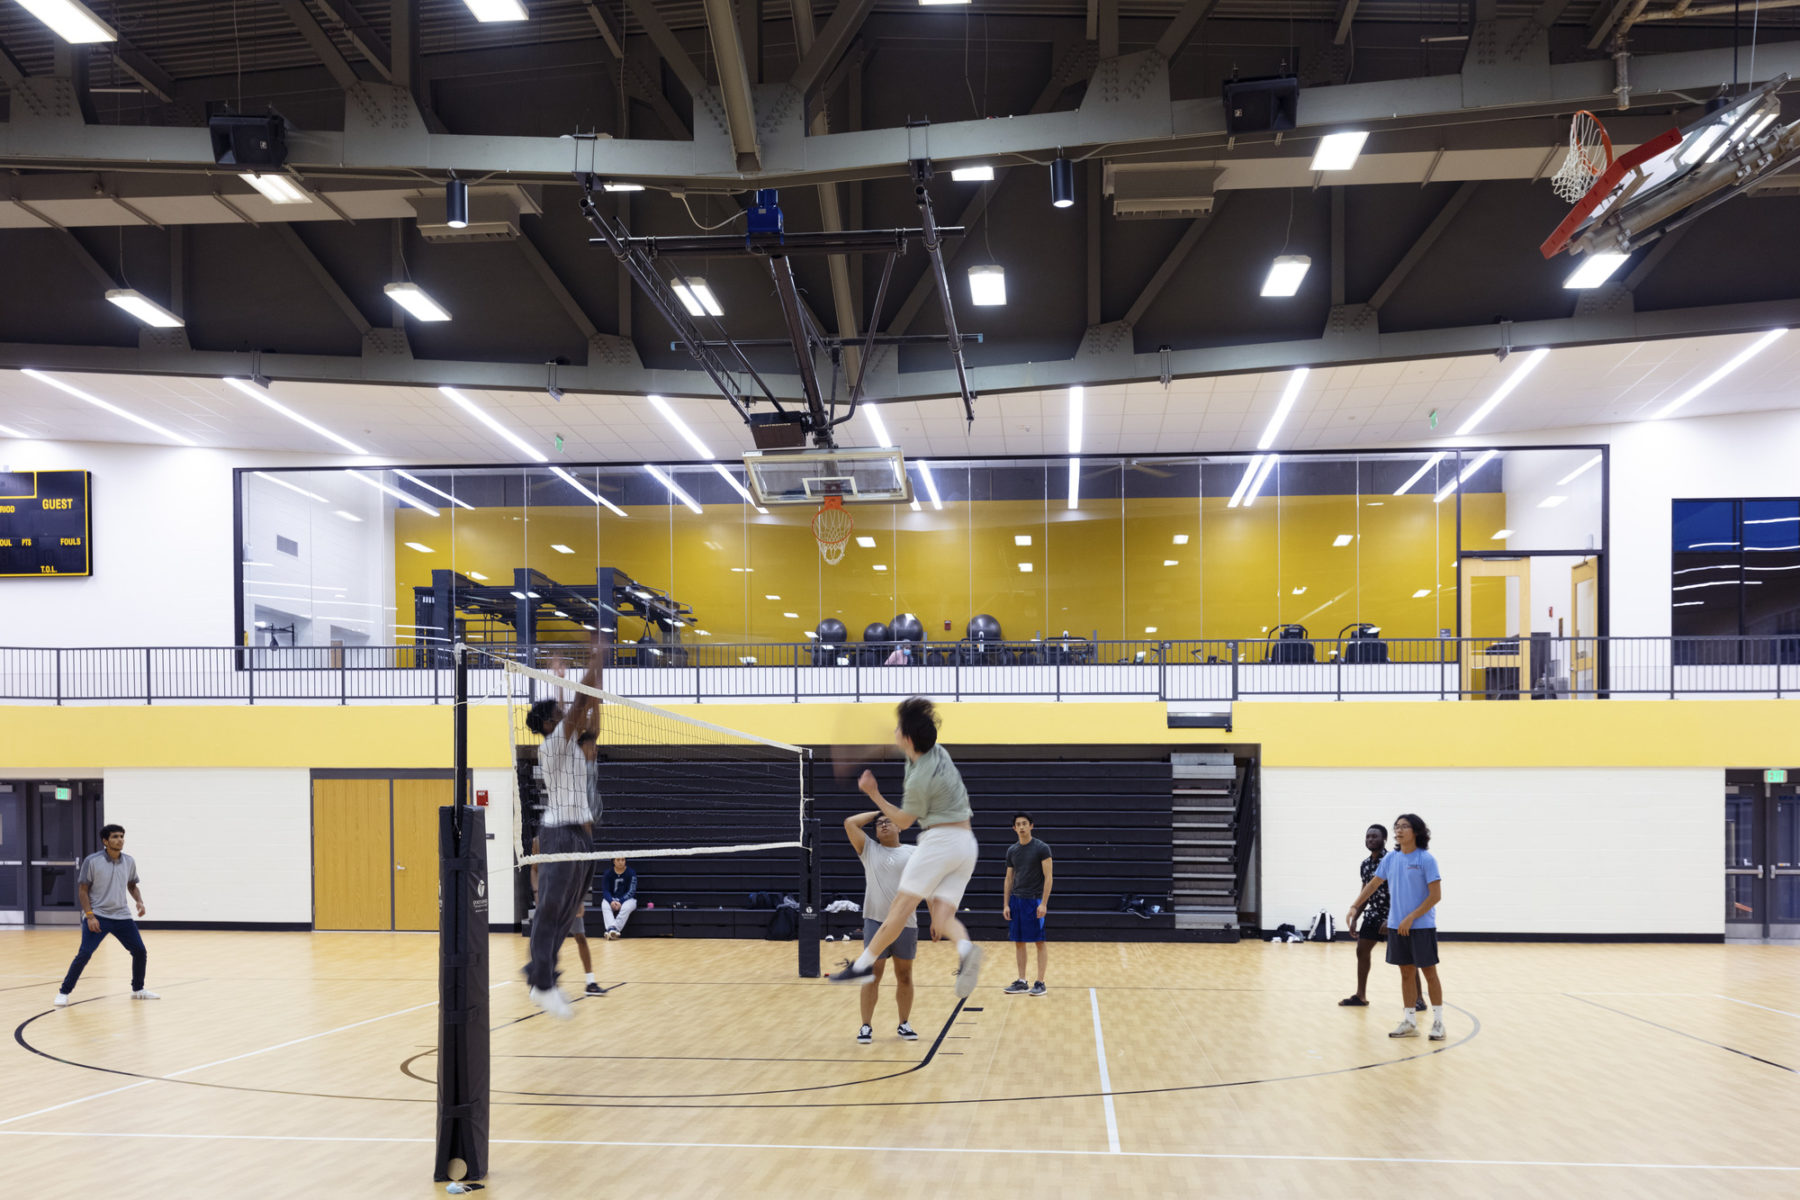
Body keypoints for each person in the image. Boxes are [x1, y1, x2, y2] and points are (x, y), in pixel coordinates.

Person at [827, 697, 983, 997]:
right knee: (942, 918)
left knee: (900, 907)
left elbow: (903, 820)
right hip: (966, 847)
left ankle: (863, 965)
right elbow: (905, 739)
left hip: (940, 842)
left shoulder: (919, 779)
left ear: (909, 737)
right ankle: (966, 950)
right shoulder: (937, 753)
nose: (895, 731)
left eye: (900, 728)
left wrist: (873, 793)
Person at [523, 652, 606, 1020]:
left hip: (581, 840)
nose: (563, 717)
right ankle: (542, 984)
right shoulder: (553, 745)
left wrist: (576, 676)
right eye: (555, 716)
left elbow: (585, 710)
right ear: (547, 724)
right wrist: (596, 658)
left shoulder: (571, 744)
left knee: (565, 917)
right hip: (559, 833)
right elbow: (578, 704)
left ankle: (541, 977)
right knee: (550, 912)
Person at [1346, 813, 1444, 1041]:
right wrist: (1354, 906)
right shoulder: (1391, 859)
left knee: (1429, 972)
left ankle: (1439, 1022)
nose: (1399, 831)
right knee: (1406, 972)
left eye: (1404, 827)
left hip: (1421, 926)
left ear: (1416, 832)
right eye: (1396, 827)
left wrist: (1411, 917)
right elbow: (1372, 885)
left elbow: (1435, 896)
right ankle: (1410, 1022)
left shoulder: (1426, 859)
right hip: (1396, 925)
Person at [55, 824, 157, 1005]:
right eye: (115, 837)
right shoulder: (92, 861)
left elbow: (132, 885)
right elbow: (83, 890)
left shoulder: (129, 861)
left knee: (140, 951)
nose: (120, 840)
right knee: (85, 953)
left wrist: (139, 901)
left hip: (122, 916)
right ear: (105, 841)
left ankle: (138, 989)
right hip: (98, 916)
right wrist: (90, 916)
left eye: (122, 836)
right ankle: (64, 992)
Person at [844, 810, 921, 1044]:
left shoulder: (914, 853)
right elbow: (850, 822)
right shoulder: (869, 849)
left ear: (900, 827)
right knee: (873, 975)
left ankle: (904, 1024)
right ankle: (866, 1026)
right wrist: (881, 810)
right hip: (875, 922)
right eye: (879, 823)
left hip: (905, 923)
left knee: (904, 975)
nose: (883, 825)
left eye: (889, 822)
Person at [1340, 823, 1421, 1014]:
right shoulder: (1365, 864)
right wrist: (1356, 916)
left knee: (1407, 958)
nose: (1370, 840)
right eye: (1368, 837)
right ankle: (1361, 996)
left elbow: (1402, 890)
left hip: (1395, 914)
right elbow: (1365, 892)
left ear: (1384, 839)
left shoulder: (1394, 860)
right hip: (1374, 914)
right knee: (1361, 950)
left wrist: (1394, 917)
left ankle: (1419, 999)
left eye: (1375, 836)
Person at [532, 835, 601, 996]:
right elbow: (534, 870)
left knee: (580, 937)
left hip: (570, 899)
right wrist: (536, 894)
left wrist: (580, 900)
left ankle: (590, 982)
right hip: (549, 901)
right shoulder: (539, 841)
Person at [1000, 812, 1053, 997]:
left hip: (1035, 900)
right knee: (1019, 942)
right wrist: (1006, 904)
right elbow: (1008, 879)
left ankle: (1040, 982)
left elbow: (1049, 878)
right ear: (1014, 828)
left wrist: (1044, 903)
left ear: (1031, 826)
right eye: (1018, 824)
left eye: (1025, 823)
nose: (1021, 827)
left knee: (1039, 941)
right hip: (1016, 901)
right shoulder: (1012, 851)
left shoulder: (1042, 848)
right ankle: (1022, 981)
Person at [601, 856, 637, 939]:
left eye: (623, 860)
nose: (621, 862)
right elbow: (605, 891)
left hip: (628, 900)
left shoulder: (631, 873)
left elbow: (631, 891)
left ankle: (612, 929)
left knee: (626, 907)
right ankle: (613, 931)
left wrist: (621, 901)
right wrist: (611, 901)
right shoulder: (608, 873)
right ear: (614, 861)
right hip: (612, 899)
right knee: (604, 904)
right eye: (618, 860)